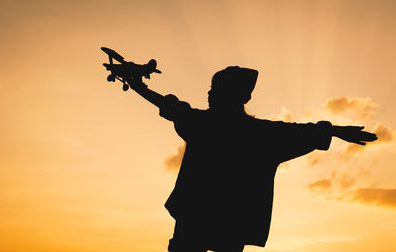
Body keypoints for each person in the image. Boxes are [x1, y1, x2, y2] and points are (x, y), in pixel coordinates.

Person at [126, 66, 377, 252]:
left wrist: (138, 85)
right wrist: (333, 130)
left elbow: (173, 108)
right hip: (232, 223)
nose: (210, 94)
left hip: (195, 219)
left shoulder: (203, 125)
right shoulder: (261, 135)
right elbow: (301, 132)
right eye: (212, 89)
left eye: (217, 90)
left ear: (240, 97)